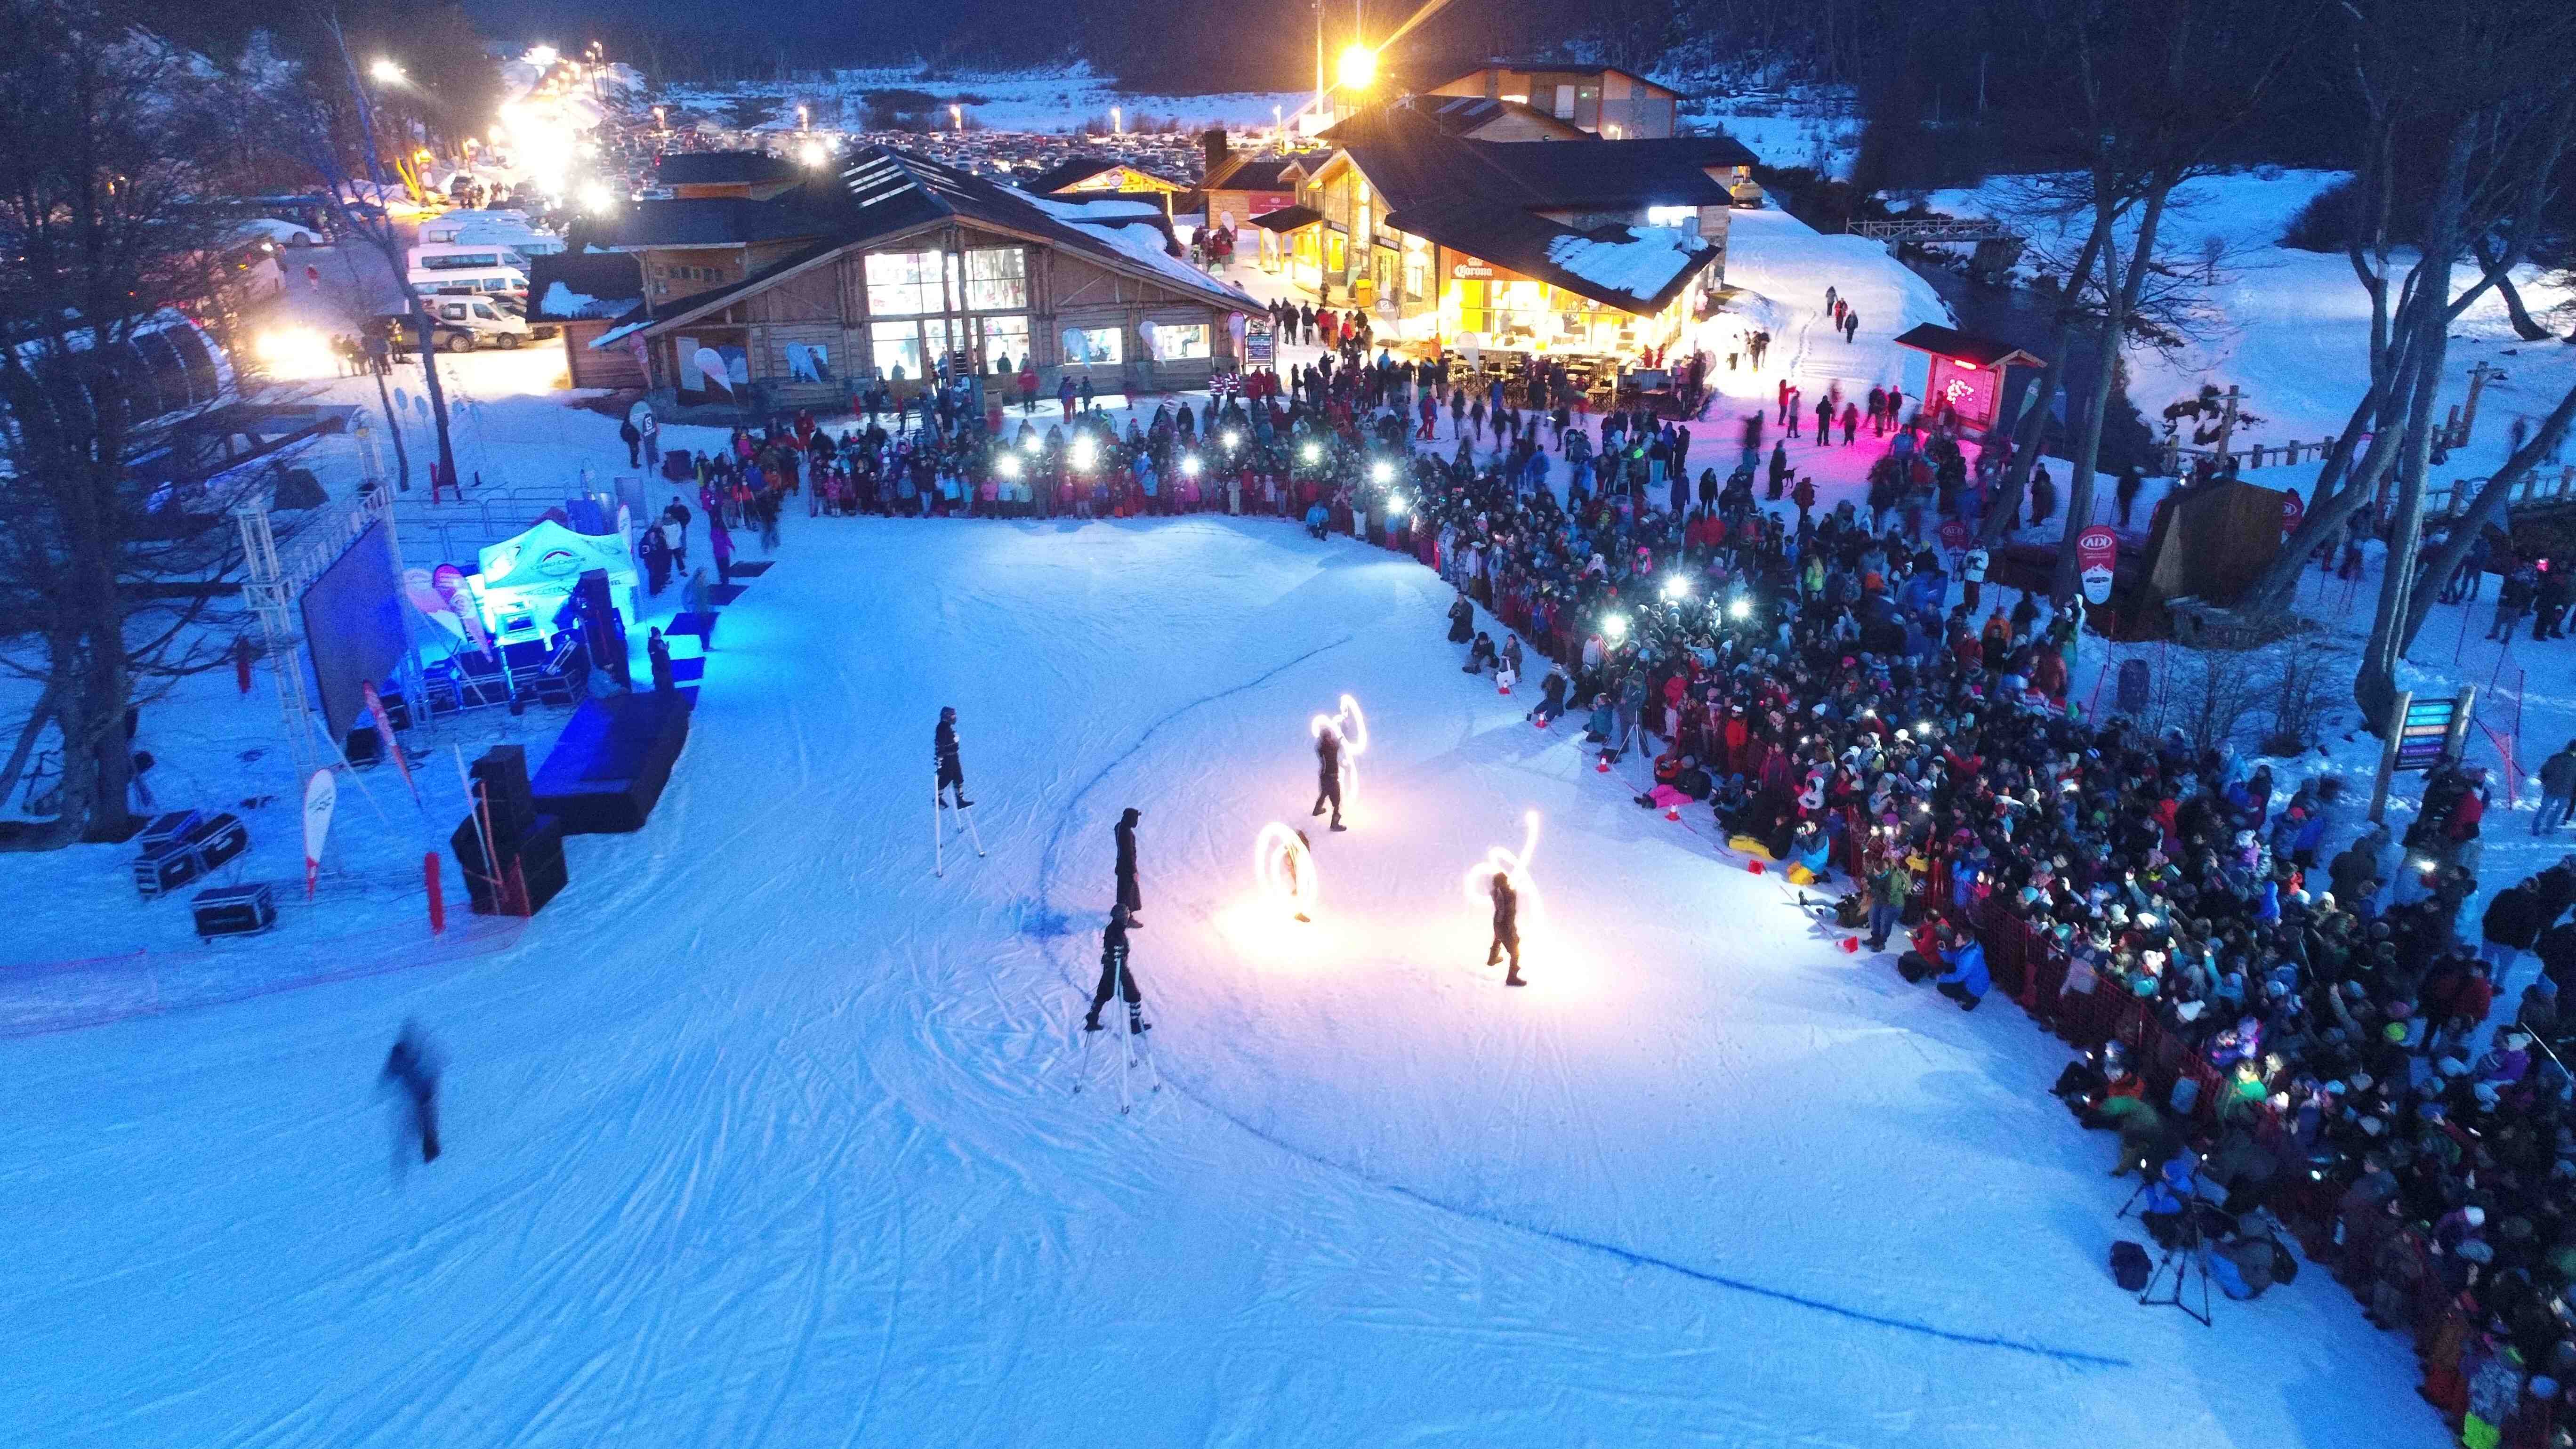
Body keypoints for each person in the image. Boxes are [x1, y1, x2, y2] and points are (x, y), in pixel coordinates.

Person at [382, 1021, 441, 1164]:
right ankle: (430, 1149)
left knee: (423, 1120)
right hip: (421, 1092)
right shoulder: (411, 1052)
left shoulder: (403, 1053)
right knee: (425, 1119)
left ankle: (430, 1148)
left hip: (421, 1093)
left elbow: (390, 1073)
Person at [1084, 904, 1145, 1033]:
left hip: (1110, 969)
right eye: (1126, 917)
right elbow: (1114, 948)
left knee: (1104, 994)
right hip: (1118, 969)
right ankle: (1136, 1024)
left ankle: (1092, 1018)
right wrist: (1118, 954)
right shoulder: (1116, 931)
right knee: (1134, 996)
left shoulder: (1114, 928)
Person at [1487, 871, 1525, 986]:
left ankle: (1492, 959)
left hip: (1498, 922)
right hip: (1505, 925)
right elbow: (1510, 910)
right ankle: (1512, 978)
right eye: (1506, 881)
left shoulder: (1495, 892)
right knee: (1515, 953)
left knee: (1498, 938)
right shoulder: (1509, 894)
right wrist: (1514, 934)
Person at [2537, 740, 2576, 835]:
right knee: (2558, 812)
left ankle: (2536, 829)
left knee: (2543, 809)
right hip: (2566, 792)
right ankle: (2550, 829)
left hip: (2550, 789)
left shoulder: (2555, 758)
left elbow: (2543, 771)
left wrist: (2545, 783)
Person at [935, 706, 970, 808]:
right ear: (947, 716)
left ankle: (960, 800)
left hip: (954, 757)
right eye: (953, 715)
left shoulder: (947, 727)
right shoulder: (942, 727)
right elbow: (941, 743)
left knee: (958, 777)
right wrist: (940, 758)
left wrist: (954, 739)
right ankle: (938, 799)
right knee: (946, 778)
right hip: (948, 758)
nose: (955, 717)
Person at [1313, 728, 1347, 831]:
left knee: (1324, 793)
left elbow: (1335, 746)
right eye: (1327, 737)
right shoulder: (1328, 748)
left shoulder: (1321, 747)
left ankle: (1317, 810)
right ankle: (1334, 825)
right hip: (1331, 778)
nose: (1329, 739)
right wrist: (1340, 739)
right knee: (1337, 802)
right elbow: (1335, 747)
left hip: (1325, 777)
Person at [1114, 805, 1143, 918]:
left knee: (1123, 891)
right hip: (1127, 867)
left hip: (1121, 865)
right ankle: (1127, 918)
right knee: (1128, 894)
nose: (1137, 822)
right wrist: (1134, 871)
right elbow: (1129, 854)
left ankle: (1122, 914)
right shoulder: (1127, 834)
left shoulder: (1119, 827)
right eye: (1135, 819)